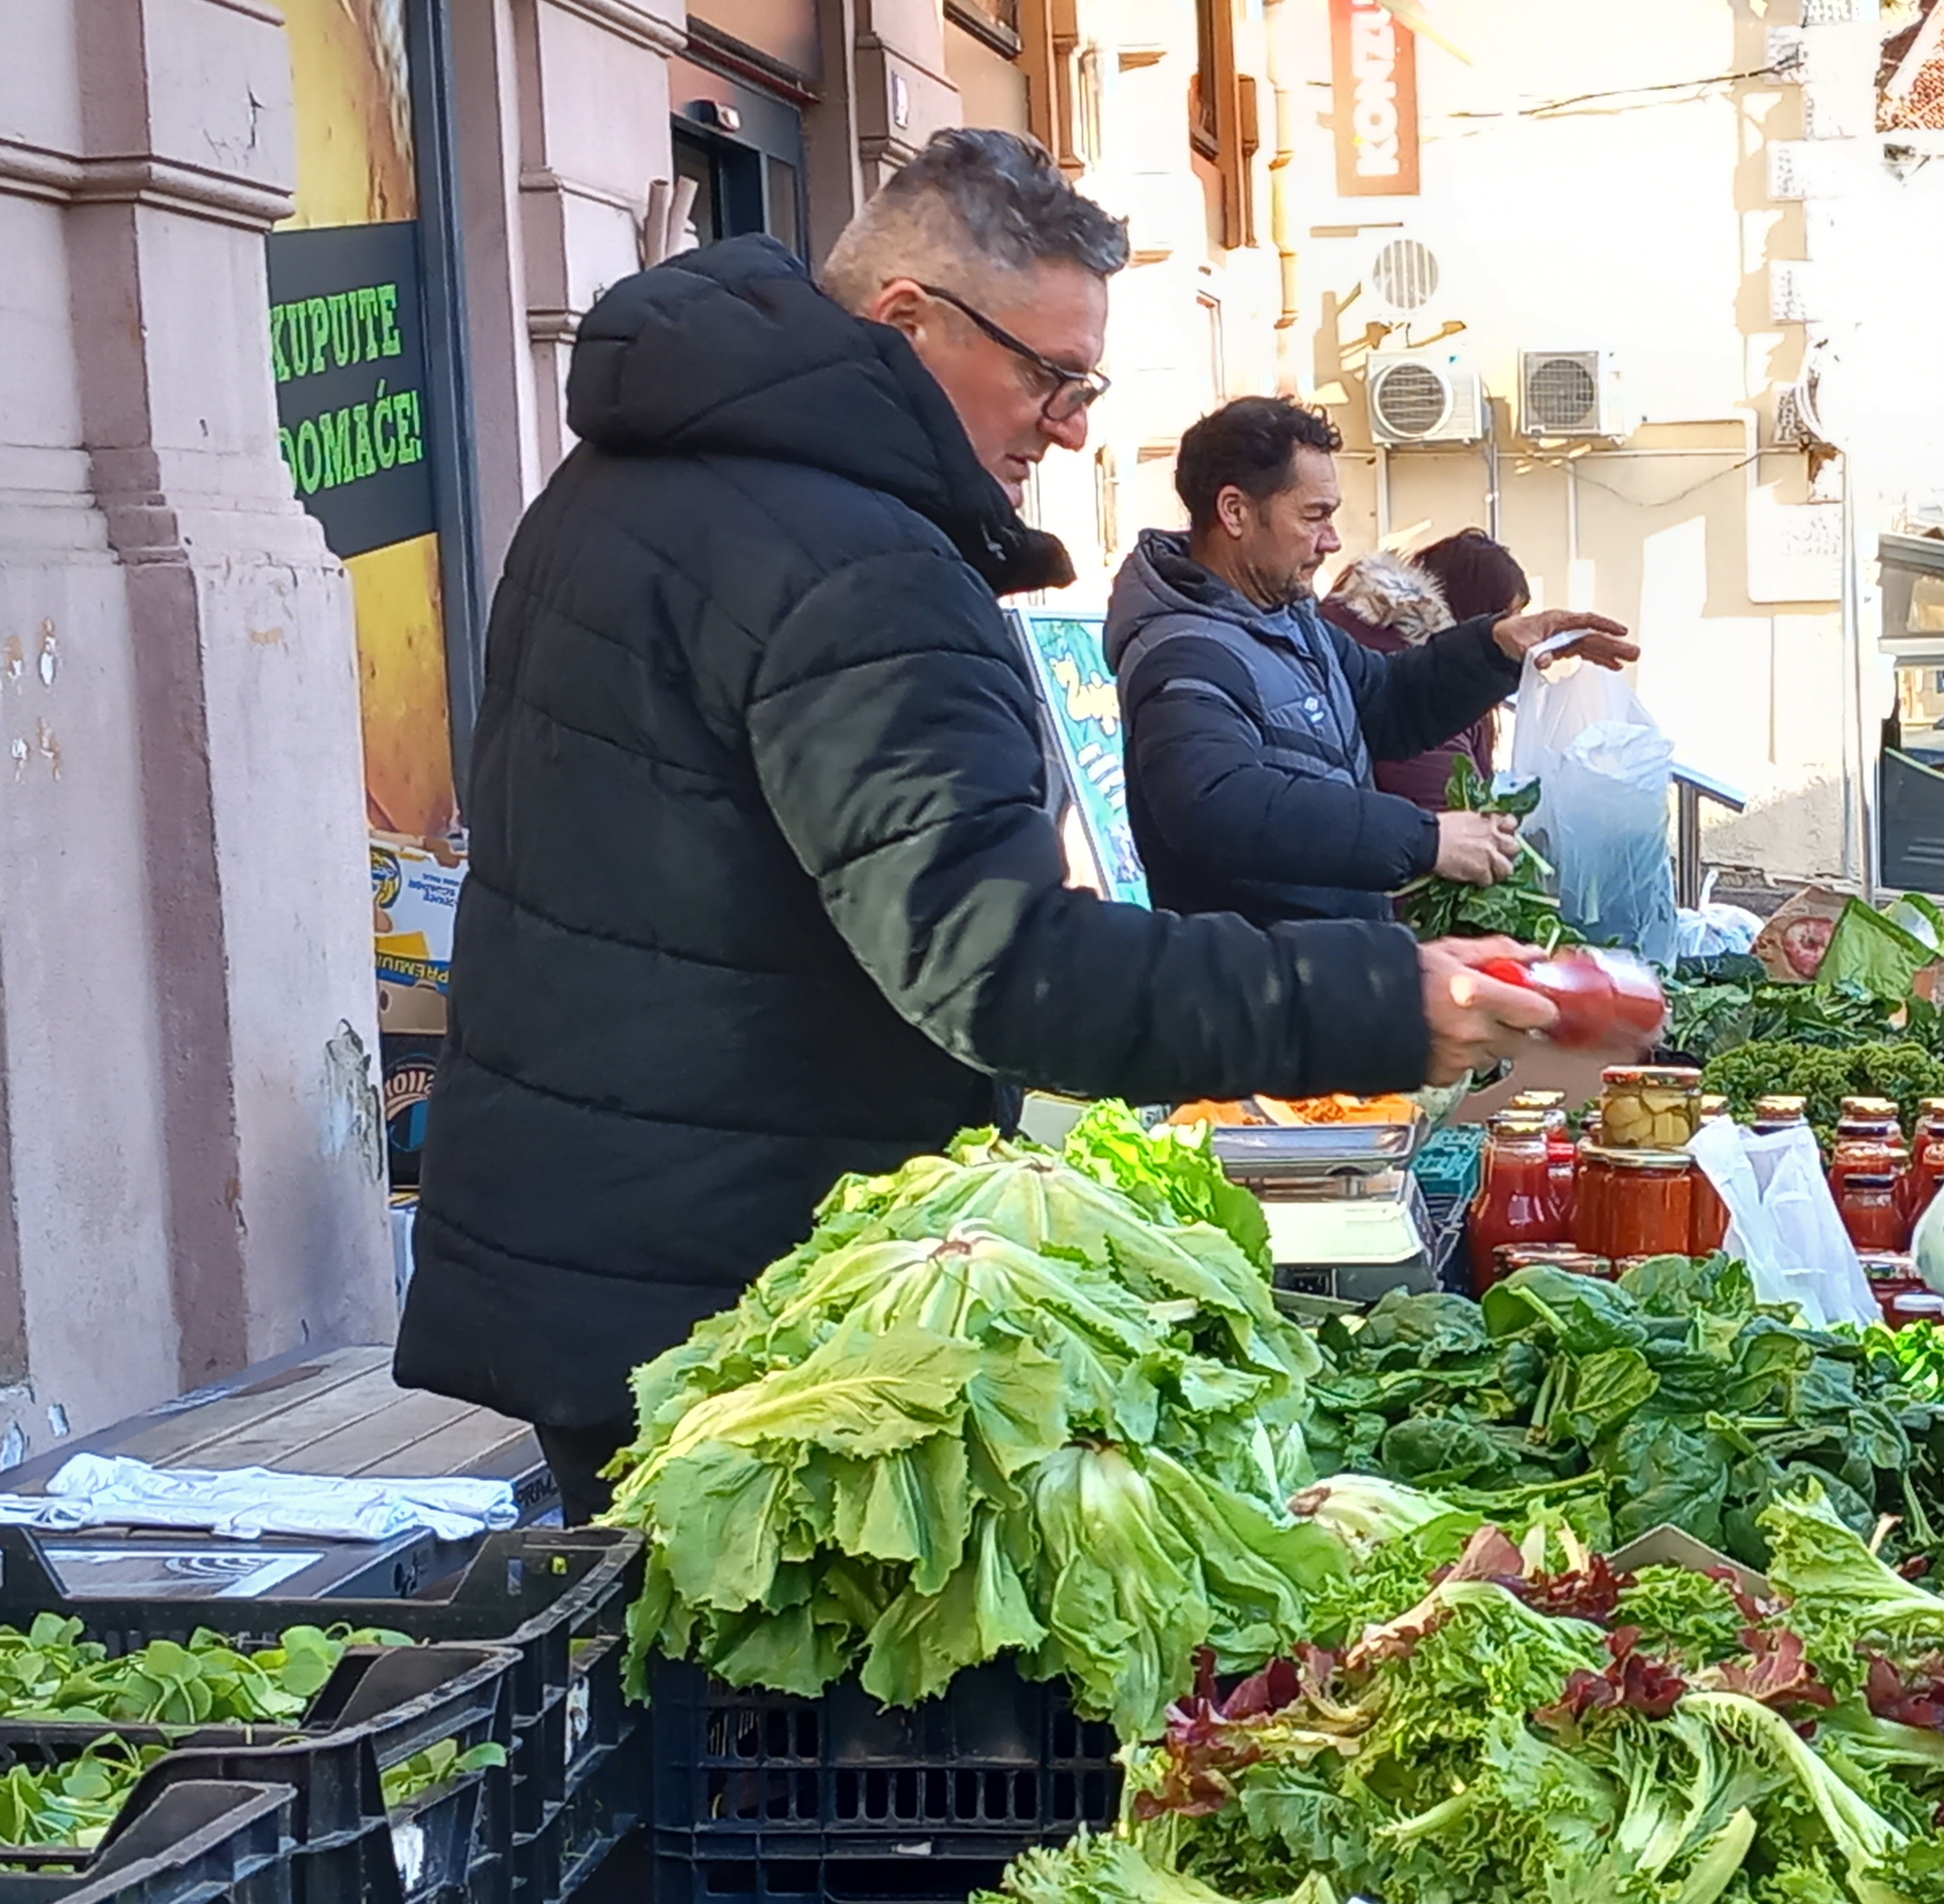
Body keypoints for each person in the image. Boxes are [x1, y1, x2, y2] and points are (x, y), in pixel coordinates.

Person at [393, 132, 1587, 1524]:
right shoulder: (855, 564)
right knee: (770, 1718)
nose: (1071, 423)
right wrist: (1387, 996)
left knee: (674, 1695)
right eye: (1049, 375)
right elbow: (998, 967)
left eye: (1085, 384)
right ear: (908, 320)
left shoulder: (627, 483)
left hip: (615, 1245)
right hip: (741, 1292)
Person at [1115, 403, 1627, 928]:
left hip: (1332, 964)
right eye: (1314, 515)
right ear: (1235, 511)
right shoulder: (1184, 652)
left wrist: (1495, 647)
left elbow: (1387, 701)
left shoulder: (1291, 622)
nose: (1332, 540)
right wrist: (1426, 838)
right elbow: (1217, 807)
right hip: (1261, 983)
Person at [1317, 528, 1533, 809]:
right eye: (1511, 616)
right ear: (1477, 612)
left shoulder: (1346, 635)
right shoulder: (1430, 677)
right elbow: (1445, 806)